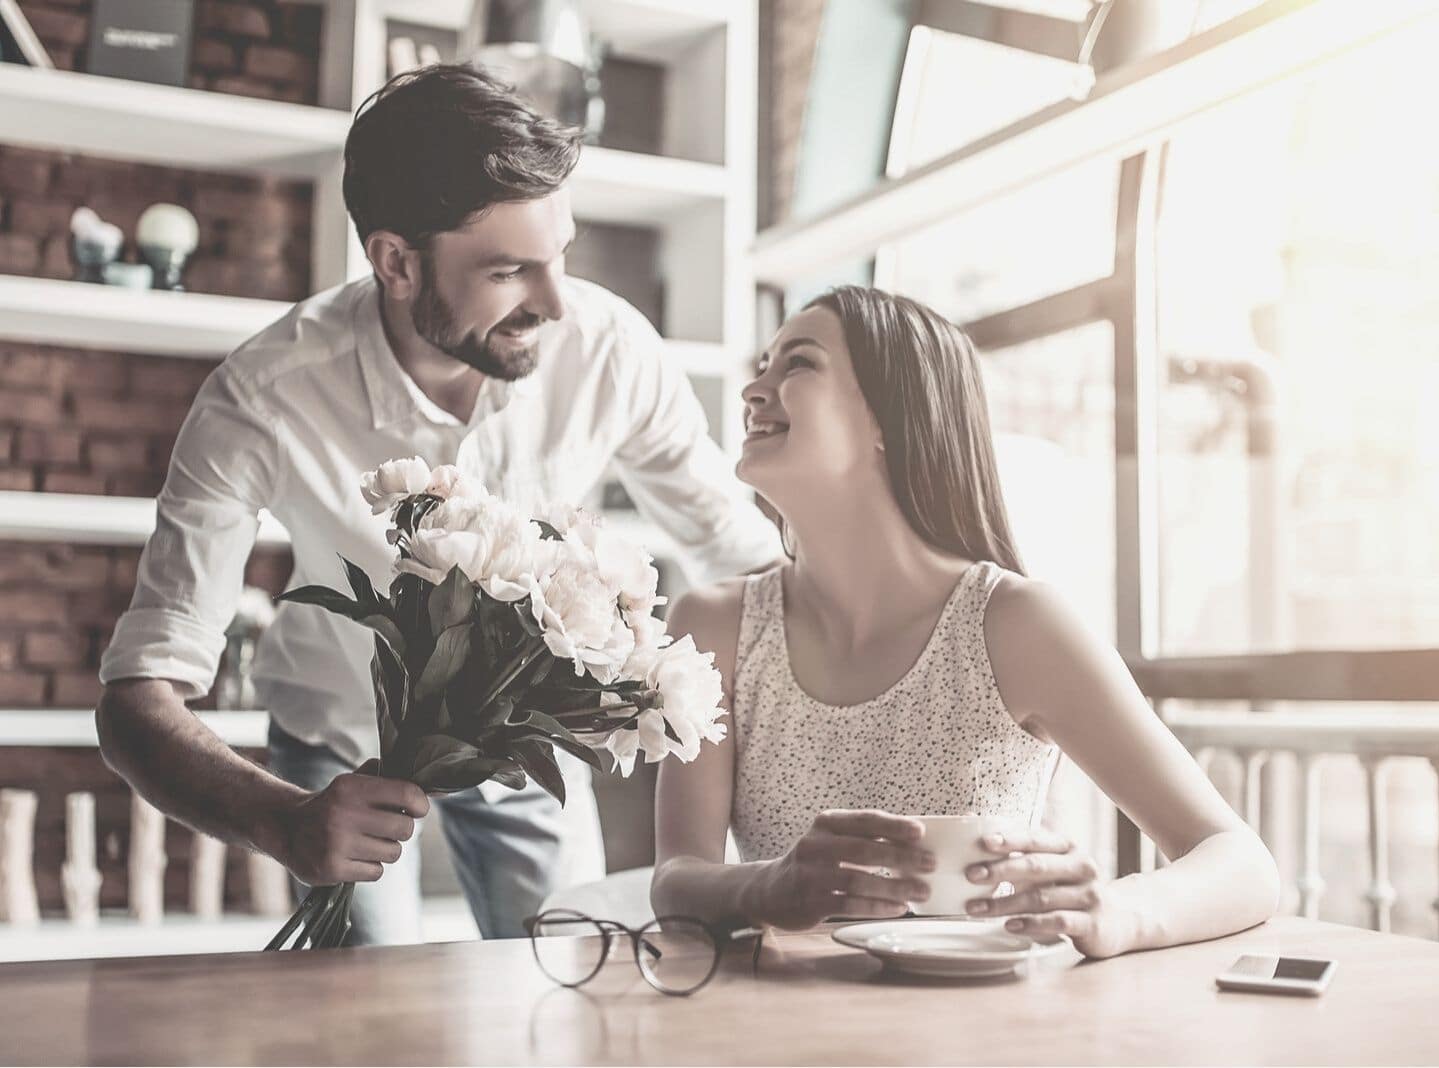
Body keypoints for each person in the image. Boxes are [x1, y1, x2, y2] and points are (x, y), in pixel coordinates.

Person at [96, 64, 781, 946]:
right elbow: (135, 696)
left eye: (560, 255)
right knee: (362, 1022)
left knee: (565, 988)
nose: (556, 302)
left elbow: (737, 549)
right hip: (337, 742)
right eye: (509, 271)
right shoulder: (262, 396)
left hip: (525, 742)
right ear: (396, 262)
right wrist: (285, 822)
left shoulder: (610, 350)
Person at [650, 286, 1279, 957]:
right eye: (763, 364)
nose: (754, 389)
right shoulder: (714, 624)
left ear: (893, 417)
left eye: (797, 364)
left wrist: (1118, 912)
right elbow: (676, 880)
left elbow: (1241, 861)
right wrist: (767, 888)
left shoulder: (1017, 625)